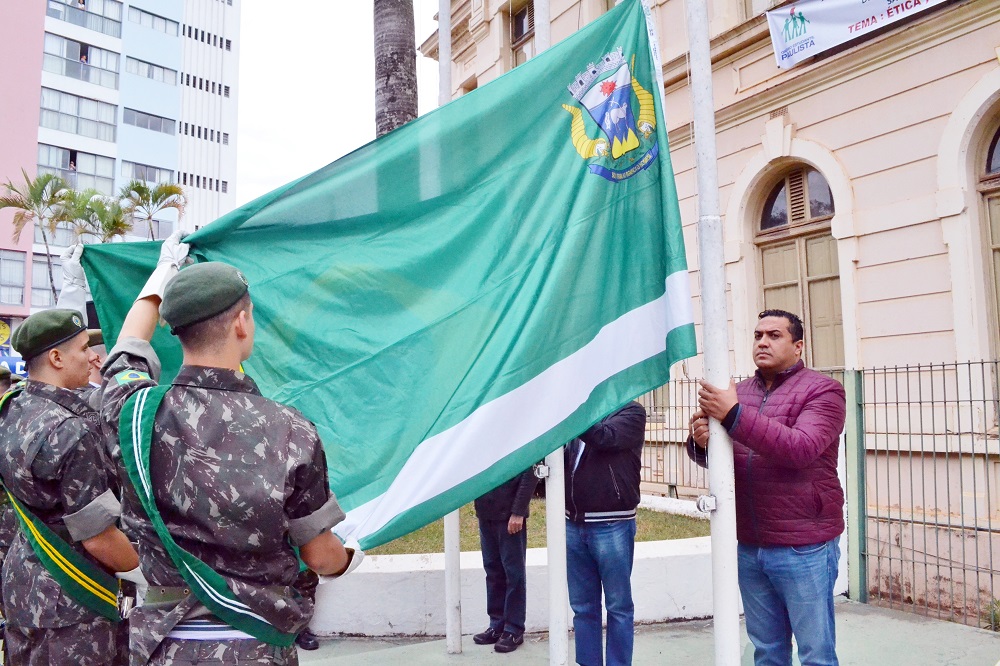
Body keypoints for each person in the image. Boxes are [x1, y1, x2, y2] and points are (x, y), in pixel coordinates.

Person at [99, 233, 362, 665]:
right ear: (241, 322)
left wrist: (163, 274)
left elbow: (128, 348)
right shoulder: (291, 429)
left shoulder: (131, 409)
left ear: (177, 330)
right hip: (254, 645)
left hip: (163, 649)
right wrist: (351, 559)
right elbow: (320, 555)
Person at [688, 309, 846, 666]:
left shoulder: (824, 391)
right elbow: (727, 460)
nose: (762, 341)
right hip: (751, 544)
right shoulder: (738, 393)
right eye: (758, 335)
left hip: (803, 545)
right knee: (768, 651)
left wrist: (733, 416)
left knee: (815, 653)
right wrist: (702, 443)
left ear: (798, 345)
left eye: (774, 336)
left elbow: (800, 449)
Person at [0, 309, 141, 665]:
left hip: (24, 585)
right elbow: (98, 538)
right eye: (83, 349)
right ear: (56, 358)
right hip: (73, 600)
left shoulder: (11, 408)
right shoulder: (70, 430)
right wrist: (145, 571)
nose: (95, 357)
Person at [564, 401, 646, 666]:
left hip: (612, 524)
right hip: (574, 524)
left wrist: (570, 413)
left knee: (618, 607)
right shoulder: (582, 411)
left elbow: (604, 437)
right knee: (583, 608)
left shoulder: (631, 412)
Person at [472, 468, 538, 653]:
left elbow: (530, 471)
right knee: (492, 571)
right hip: (486, 511)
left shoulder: (517, 438)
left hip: (510, 514)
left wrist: (519, 511)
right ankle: (497, 625)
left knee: (513, 574)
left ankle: (513, 629)